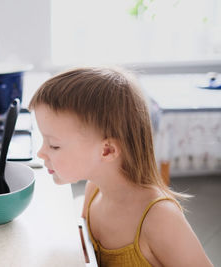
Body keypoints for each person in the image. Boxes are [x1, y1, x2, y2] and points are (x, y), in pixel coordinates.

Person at [28, 67, 213, 267]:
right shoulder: (94, 191)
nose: (41, 153)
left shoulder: (160, 218)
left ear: (107, 151)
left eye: (54, 145)